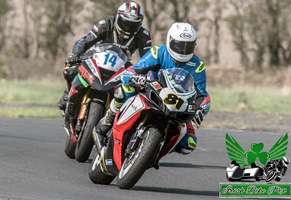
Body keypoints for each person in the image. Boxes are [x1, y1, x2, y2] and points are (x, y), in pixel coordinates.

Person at [94, 22, 211, 156]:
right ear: (170, 41)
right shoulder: (158, 52)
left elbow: (202, 95)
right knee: (124, 90)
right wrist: (135, 78)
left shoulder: (198, 65)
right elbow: (132, 70)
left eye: (188, 46)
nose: (183, 50)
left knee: (188, 144)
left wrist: (200, 109)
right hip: (149, 90)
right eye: (179, 45)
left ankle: (154, 148)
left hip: (175, 104)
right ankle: (109, 118)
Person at [57, 1, 152, 111]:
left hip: (121, 62)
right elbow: (85, 41)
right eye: (125, 23)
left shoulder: (143, 35)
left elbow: (148, 58)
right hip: (95, 56)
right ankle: (68, 92)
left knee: (133, 86)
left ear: (139, 24)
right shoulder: (105, 24)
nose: (127, 28)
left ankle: (115, 113)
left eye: (132, 25)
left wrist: (146, 72)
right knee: (71, 69)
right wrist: (75, 55)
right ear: (117, 18)